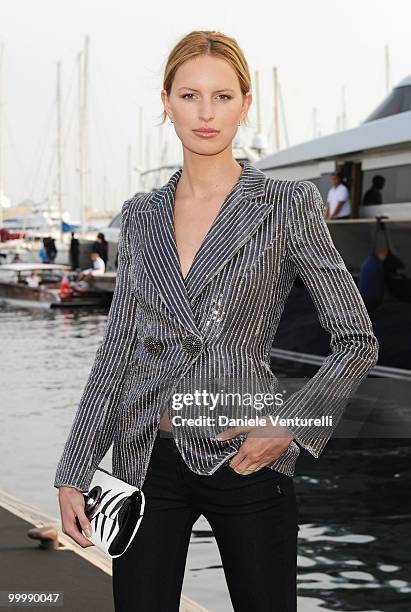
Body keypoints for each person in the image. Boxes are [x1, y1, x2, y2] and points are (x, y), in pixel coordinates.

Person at [54, 31, 379, 612]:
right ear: (166, 102)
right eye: (190, 96)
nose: (206, 114)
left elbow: (357, 340)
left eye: (223, 97)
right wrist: (73, 468)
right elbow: (117, 353)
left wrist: (291, 425)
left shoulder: (285, 205)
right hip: (144, 462)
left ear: (246, 104)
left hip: (247, 455)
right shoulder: (141, 215)